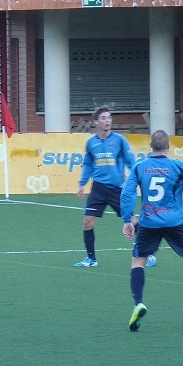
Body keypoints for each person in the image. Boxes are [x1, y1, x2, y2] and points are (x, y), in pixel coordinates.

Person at [120, 130, 183, 331]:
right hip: (174, 222)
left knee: (139, 261)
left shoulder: (140, 167)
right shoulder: (177, 166)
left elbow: (127, 193)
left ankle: (138, 303)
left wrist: (128, 219)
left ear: (150, 146)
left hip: (148, 224)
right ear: (168, 146)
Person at [74, 105, 139, 268]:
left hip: (117, 188)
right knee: (87, 221)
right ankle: (91, 259)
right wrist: (82, 184)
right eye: (103, 118)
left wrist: (135, 180)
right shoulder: (91, 143)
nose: (107, 121)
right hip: (98, 188)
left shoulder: (119, 140)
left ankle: (147, 252)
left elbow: (132, 162)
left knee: (131, 220)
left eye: (109, 118)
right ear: (96, 122)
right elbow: (88, 164)